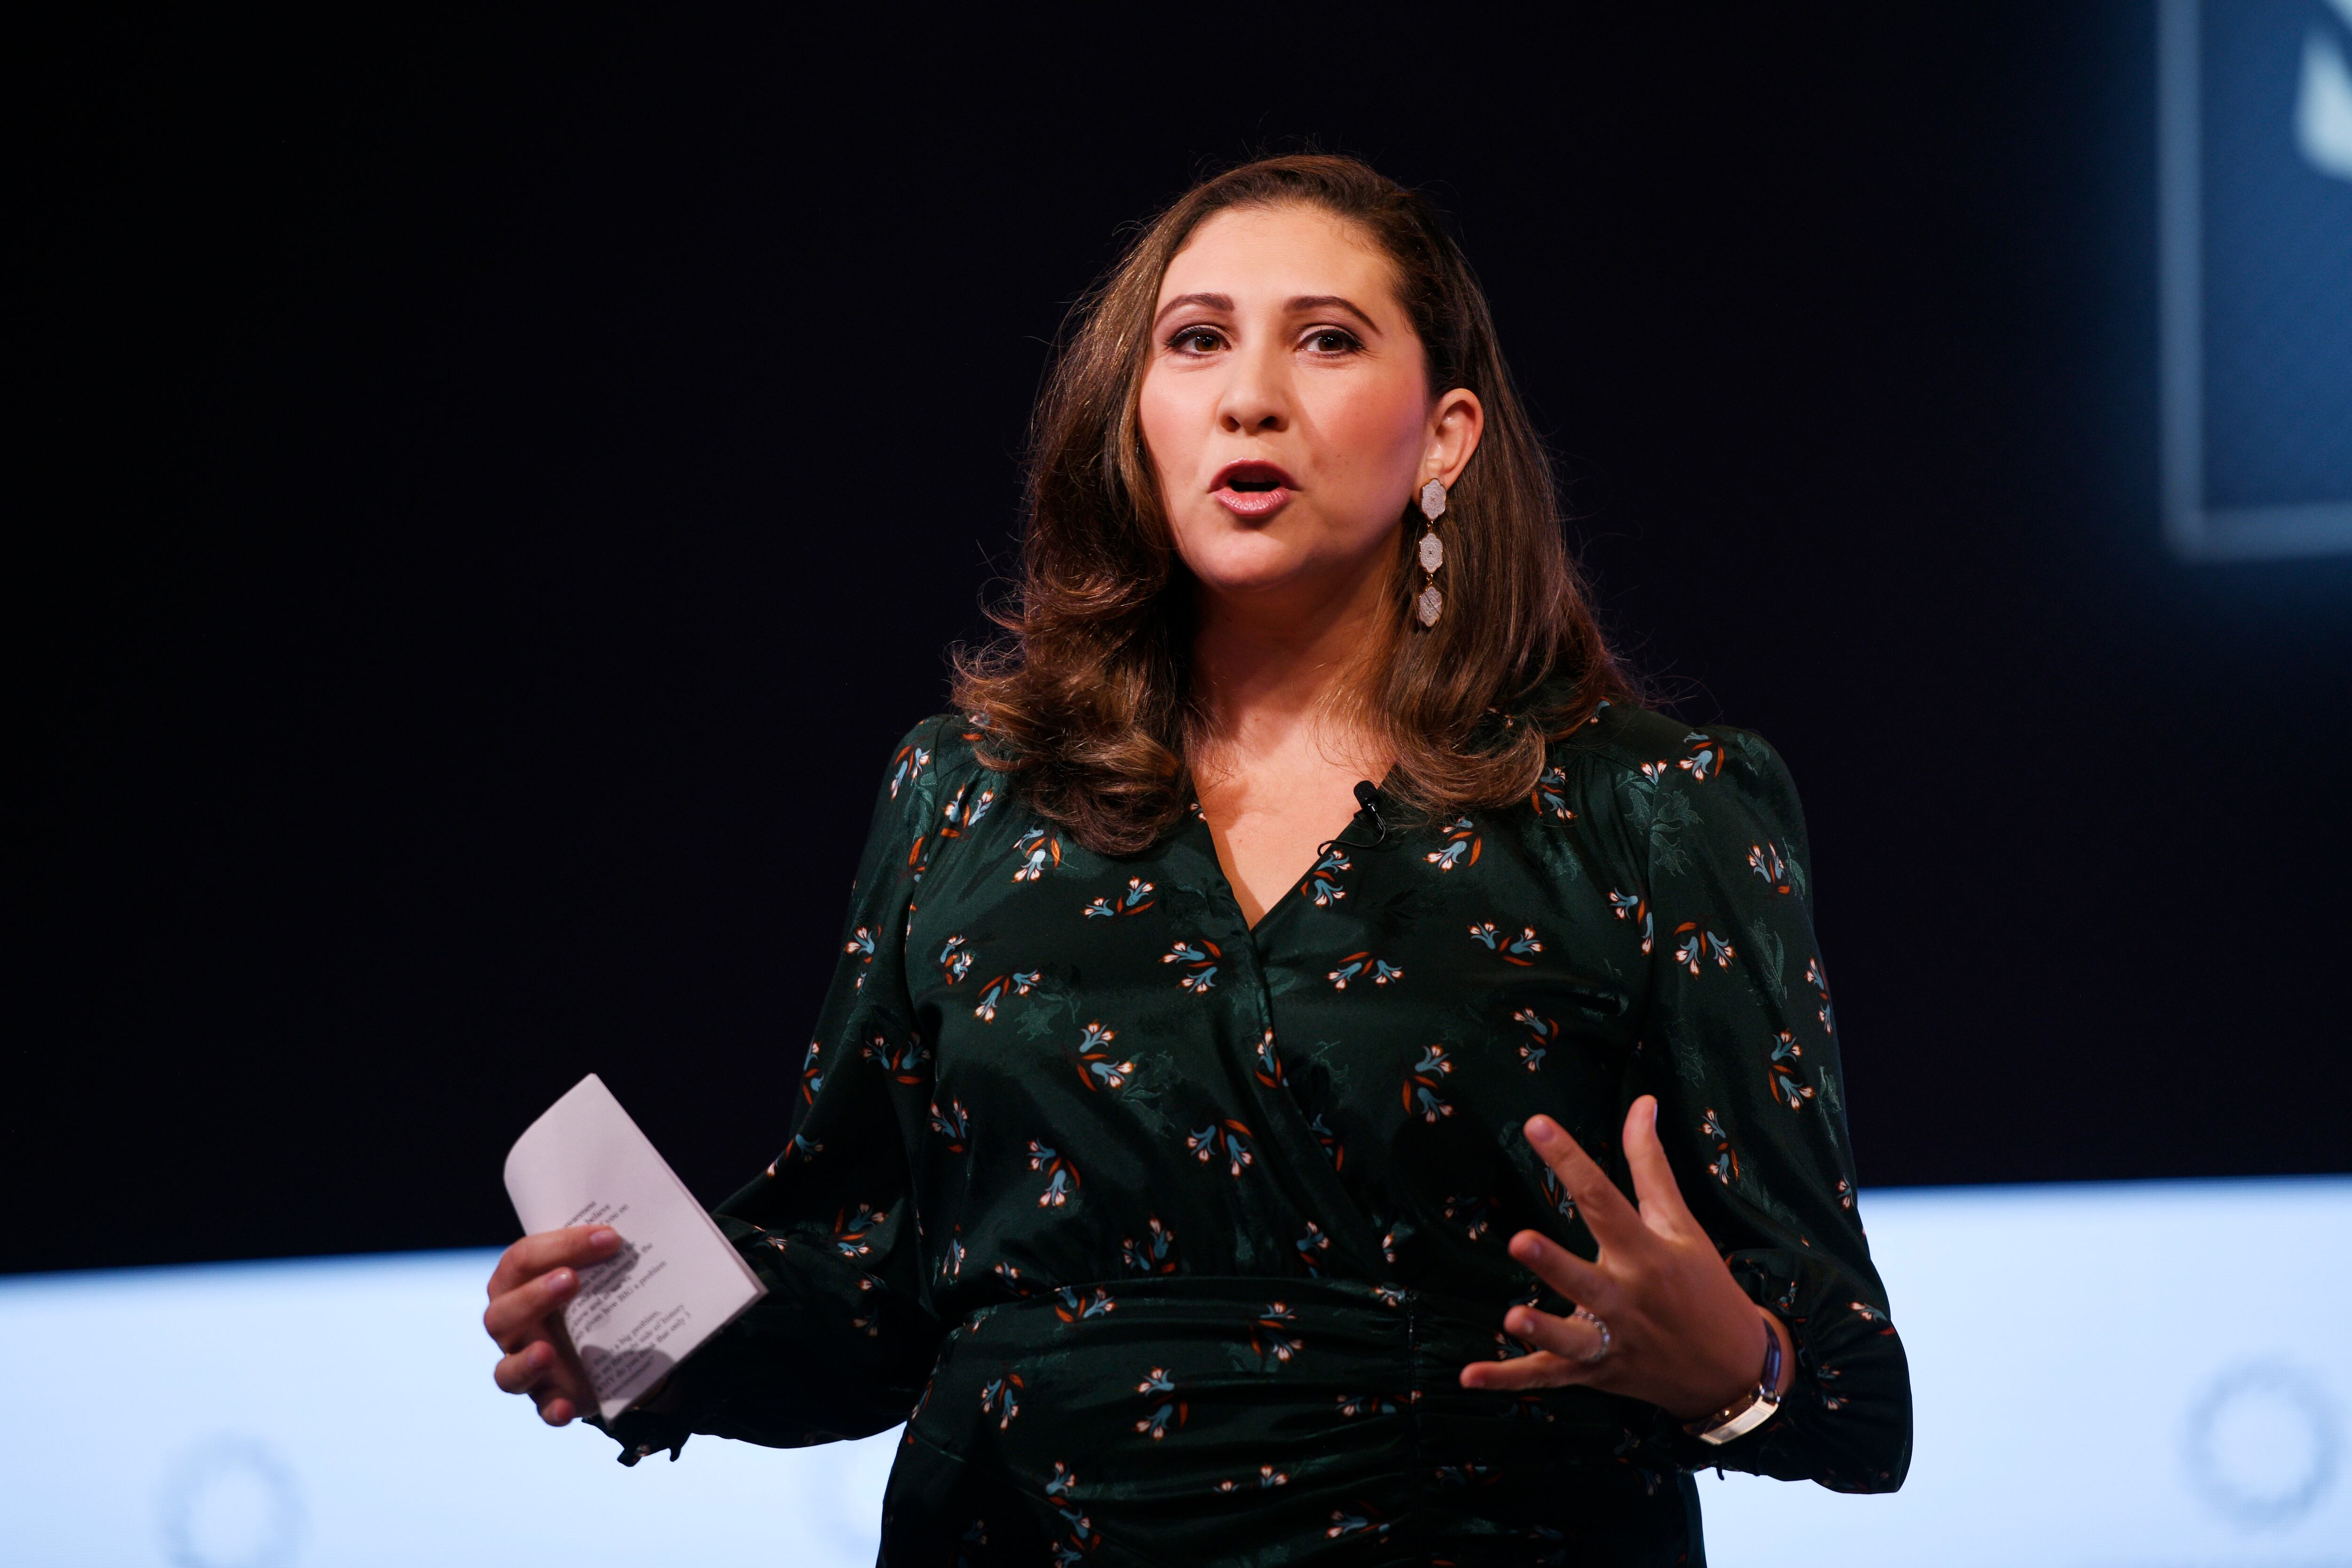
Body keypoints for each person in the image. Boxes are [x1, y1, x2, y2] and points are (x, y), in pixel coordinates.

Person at [482, 153, 1910, 1563]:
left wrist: (1740, 1369)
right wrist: (634, 1332)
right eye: (1198, 340)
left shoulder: (1653, 806)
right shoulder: (963, 797)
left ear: (1447, 436)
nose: (1250, 393)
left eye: (1329, 341)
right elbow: (869, 1304)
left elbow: (1854, 1398)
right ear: (1139, 418)